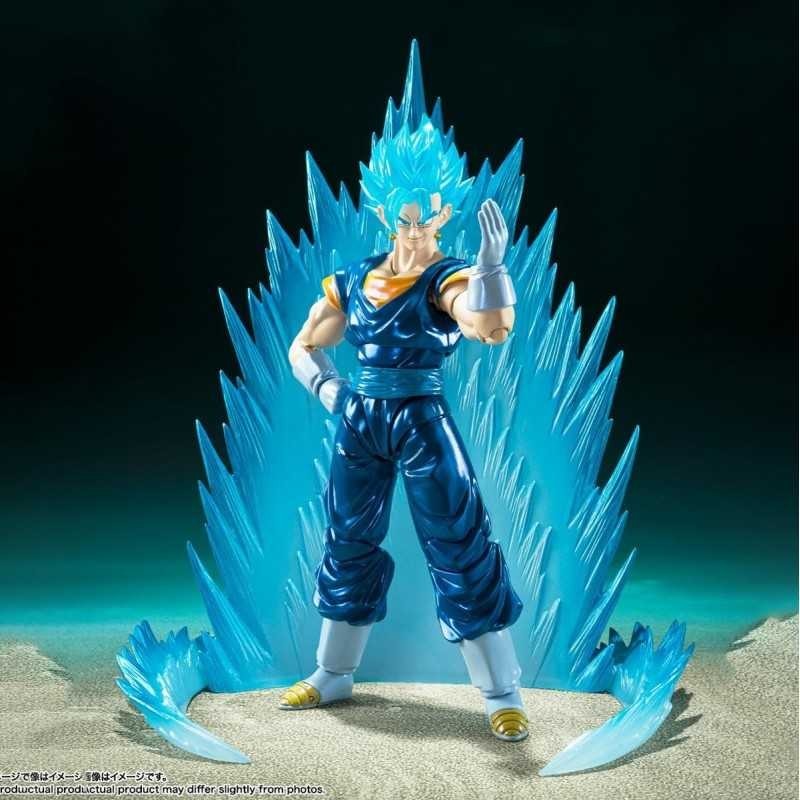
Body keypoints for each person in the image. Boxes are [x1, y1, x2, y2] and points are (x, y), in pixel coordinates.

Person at [281, 120, 528, 742]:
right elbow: (304, 345)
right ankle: (332, 673)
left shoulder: (448, 279)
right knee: (347, 538)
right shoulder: (353, 277)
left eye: (428, 218)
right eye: (404, 219)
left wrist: (491, 269)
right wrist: (332, 392)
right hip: (361, 418)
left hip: (421, 416)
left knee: (459, 540)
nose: (416, 231)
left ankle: (502, 693)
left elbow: (490, 328)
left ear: (445, 214)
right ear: (383, 213)